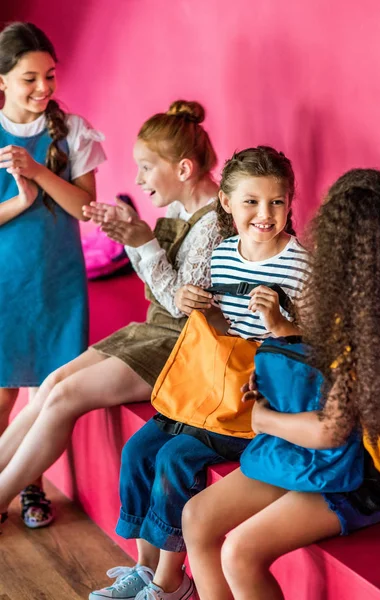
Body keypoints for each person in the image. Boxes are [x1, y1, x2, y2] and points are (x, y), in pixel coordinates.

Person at [90, 146, 311, 600]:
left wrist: (284, 327)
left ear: (291, 202)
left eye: (276, 202)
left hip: (254, 400)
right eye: (251, 201)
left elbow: (315, 350)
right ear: (226, 204)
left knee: (175, 459)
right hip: (207, 386)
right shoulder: (224, 252)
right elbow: (219, 329)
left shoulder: (300, 265)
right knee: (138, 452)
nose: (265, 214)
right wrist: (198, 306)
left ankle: (172, 584)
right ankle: (144, 570)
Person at [0, 97, 221, 529]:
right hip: (154, 330)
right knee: (51, 384)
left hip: (184, 346)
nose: (137, 179)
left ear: (183, 169)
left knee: (63, 399)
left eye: (145, 167)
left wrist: (141, 241)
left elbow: (181, 302)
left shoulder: (214, 223)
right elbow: (156, 288)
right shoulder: (180, 207)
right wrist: (129, 236)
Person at [183, 168, 380, 600]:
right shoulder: (352, 305)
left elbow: (329, 429)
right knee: (197, 517)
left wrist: (263, 418)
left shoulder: (373, 323)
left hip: (369, 474)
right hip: (331, 452)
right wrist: (279, 361)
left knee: (240, 552)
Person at [0, 22, 106, 528]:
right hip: (5, 282)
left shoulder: (74, 132)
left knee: (49, 393)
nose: (43, 88)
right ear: (2, 80)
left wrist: (38, 173)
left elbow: (86, 209)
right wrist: (19, 203)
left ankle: (30, 488)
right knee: (2, 395)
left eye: (50, 76)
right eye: (29, 78)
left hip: (58, 282)